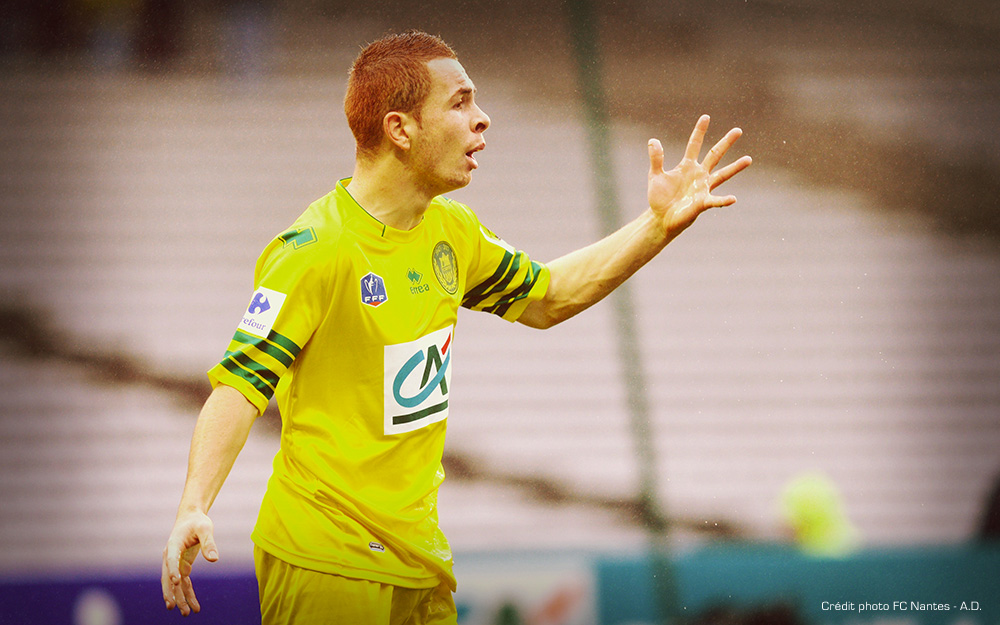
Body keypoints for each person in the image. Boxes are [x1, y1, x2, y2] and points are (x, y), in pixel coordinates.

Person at [161, 30, 751, 624]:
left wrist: (655, 226)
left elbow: (549, 298)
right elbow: (240, 386)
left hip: (420, 561)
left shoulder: (452, 231)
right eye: (460, 102)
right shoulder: (316, 250)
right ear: (400, 129)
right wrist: (194, 504)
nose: (482, 118)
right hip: (327, 559)